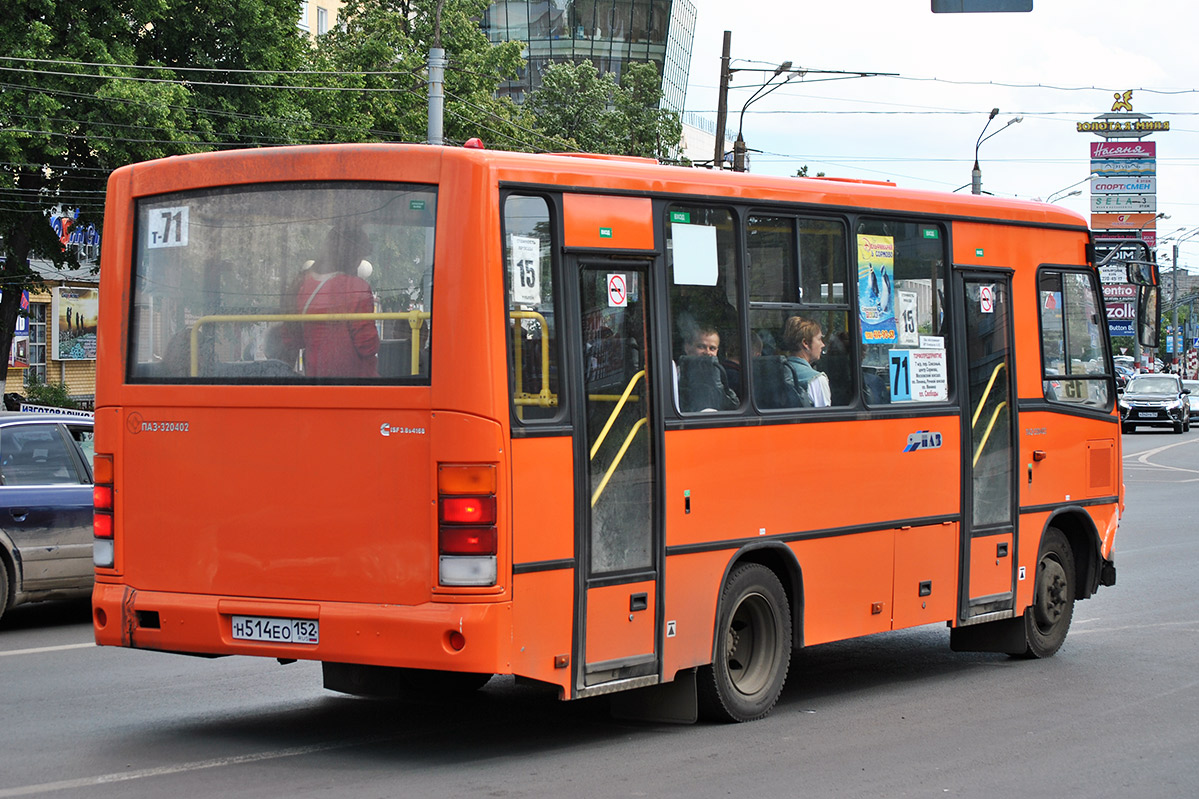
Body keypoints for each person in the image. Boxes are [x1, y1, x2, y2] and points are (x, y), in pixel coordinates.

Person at [280, 223, 380, 378]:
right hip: (357, 384)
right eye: (360, 256)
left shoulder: (300, 283)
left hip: (315, 378)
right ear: (352, 256)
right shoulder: (355, 287)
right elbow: (367, 345)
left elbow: (291, 339)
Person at [675, 325, 738, 412]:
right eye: (701, 346)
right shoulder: (676, 375)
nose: (707, 352)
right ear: (687, 348)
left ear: (717, 351)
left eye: (712, 348)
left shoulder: (722, 375)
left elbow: (734, 406)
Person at [781, 316, 831, 407]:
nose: (822, 344)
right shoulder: (817, 379)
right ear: (806, 343)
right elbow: (824, 418)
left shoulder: (778, 371)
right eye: (819, 339)